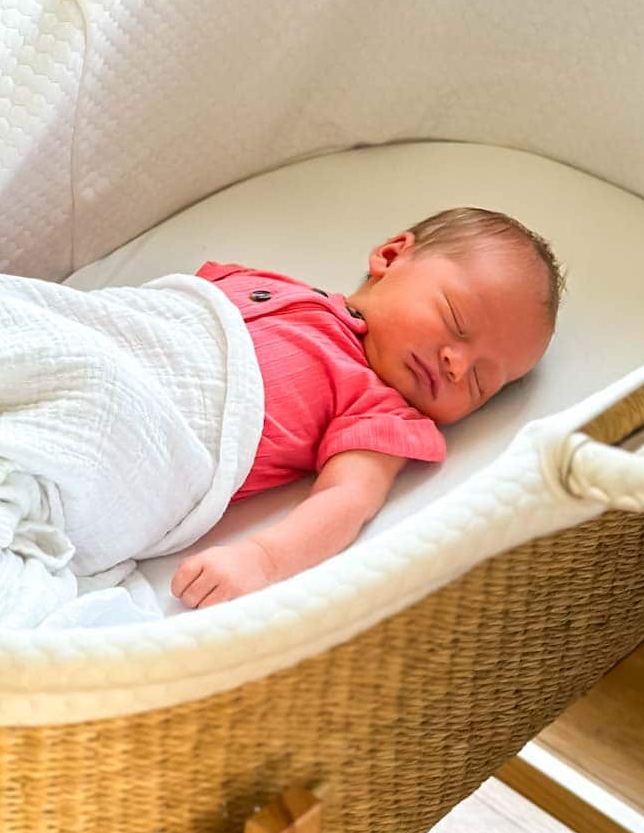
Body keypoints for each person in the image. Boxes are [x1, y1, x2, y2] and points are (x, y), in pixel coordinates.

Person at [170, 206, 564, 609]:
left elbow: (347, 499)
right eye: (455, 319)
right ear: (391, 257)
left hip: (158, 442)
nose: (457, 366)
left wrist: (262, 559)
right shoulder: (265, 282)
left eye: (481, 382)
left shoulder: (383, 412)